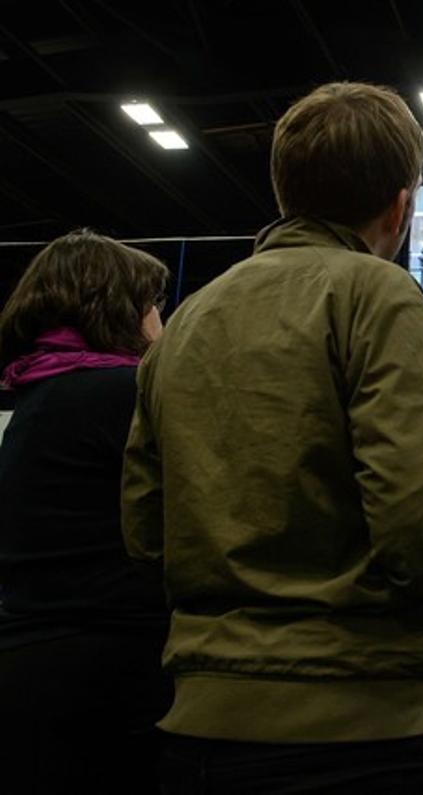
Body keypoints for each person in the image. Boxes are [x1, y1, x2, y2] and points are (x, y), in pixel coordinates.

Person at [122, 82, 423, 793]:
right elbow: (421, 524)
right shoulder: (377, 294)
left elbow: (145, 530)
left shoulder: (191, 317)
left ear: (284, 190)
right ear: (401, 204)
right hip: (354, 733)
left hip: (197, 731)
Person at [0, 230, 171, 793]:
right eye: (152, 306)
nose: (159, 323)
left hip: (31, 660)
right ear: (120, 309)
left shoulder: (42, 390)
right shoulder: (119, 393)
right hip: (110, 668)